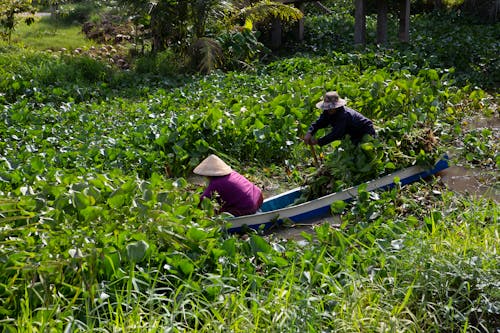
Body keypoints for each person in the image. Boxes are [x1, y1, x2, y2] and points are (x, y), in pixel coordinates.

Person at [194, 154, 263, 216]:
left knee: (218, 212)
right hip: (259, 197)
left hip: (248, 206)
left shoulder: (216, 183)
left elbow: (202, 201)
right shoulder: (233, 173)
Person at [303, 91, 375, 146]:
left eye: (331, 108)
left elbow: (336, 134)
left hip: (365, 130)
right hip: (351, 132)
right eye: (328, 107)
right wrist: (310, 132)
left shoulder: (343, 115)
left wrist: (318, 141)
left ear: (337, 106)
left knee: (364, 150)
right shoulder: (327, 111)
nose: (329, 109)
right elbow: (319, 122)